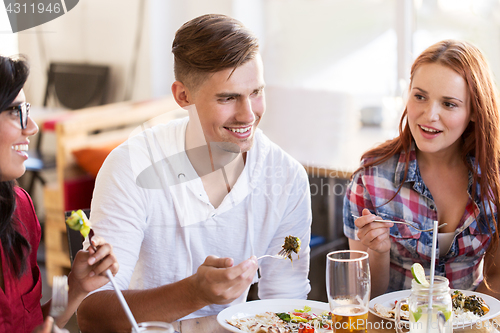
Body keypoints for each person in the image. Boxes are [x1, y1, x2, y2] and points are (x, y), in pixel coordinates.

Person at [77, 13, 312, 332]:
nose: (248, 114)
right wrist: (193, 293)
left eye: (256, 92)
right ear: (183, 96)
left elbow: (288, 304)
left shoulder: (286, 177)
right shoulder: (132, 165)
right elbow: (91, 315)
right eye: (228, 98)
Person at [344, 39, 500, 298]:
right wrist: (378, 252)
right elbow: (360, 298)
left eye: (449, 104)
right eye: (420, 97)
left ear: (474, 110)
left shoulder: (493, 179)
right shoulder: (370, 180)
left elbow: (496, 278)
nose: (430, 115)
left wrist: (465, 323)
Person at [0, 55, 119, 333]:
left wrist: (73, 289)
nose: (32, 127)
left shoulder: (20, 209)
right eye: (14, 112)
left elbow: (36, 324)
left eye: (26, 111)